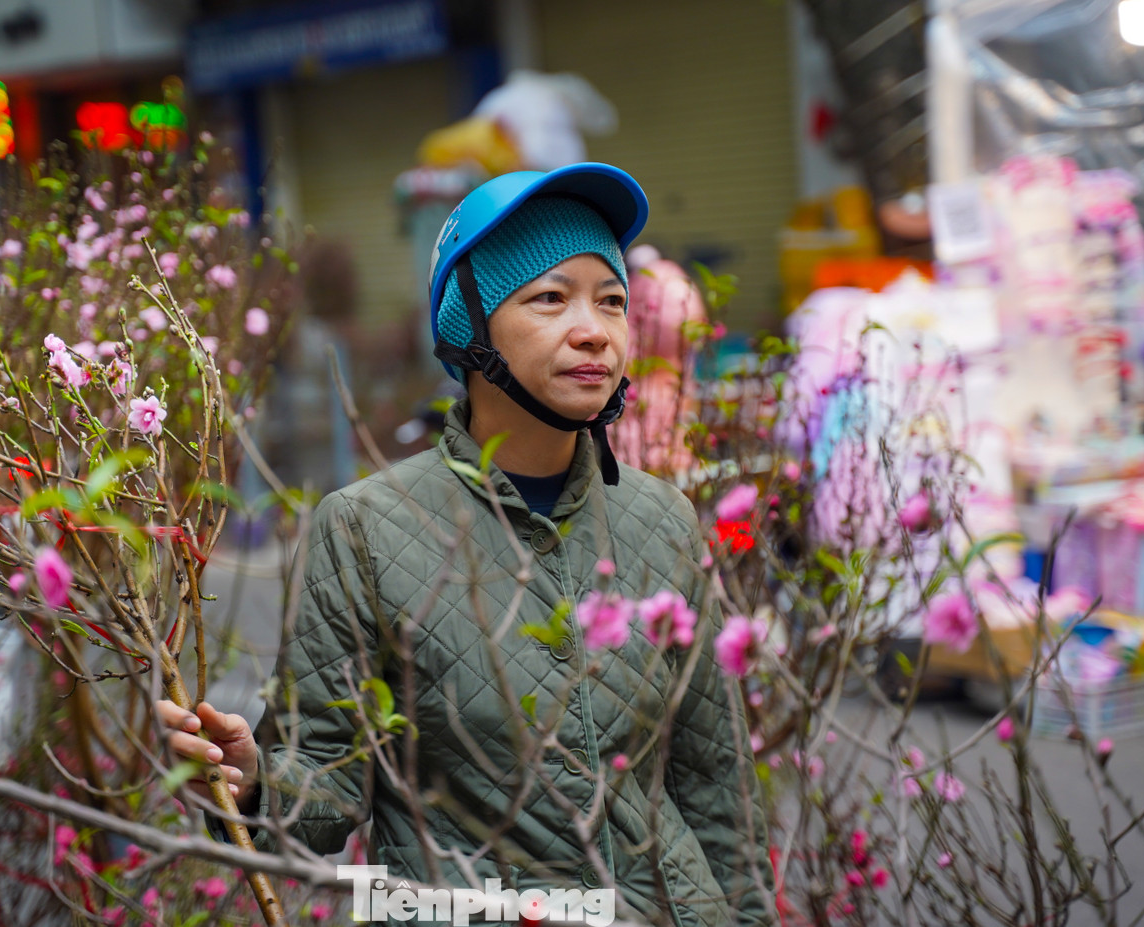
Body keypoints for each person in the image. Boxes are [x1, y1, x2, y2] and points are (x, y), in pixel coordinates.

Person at [159, 164, 775, 925]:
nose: (594, 329)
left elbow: (719, 784)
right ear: (468, 326)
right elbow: (326, 785)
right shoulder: (366, 526)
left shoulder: (662, 516)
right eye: (549, 297)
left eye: (611, 301)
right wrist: (252, 778)